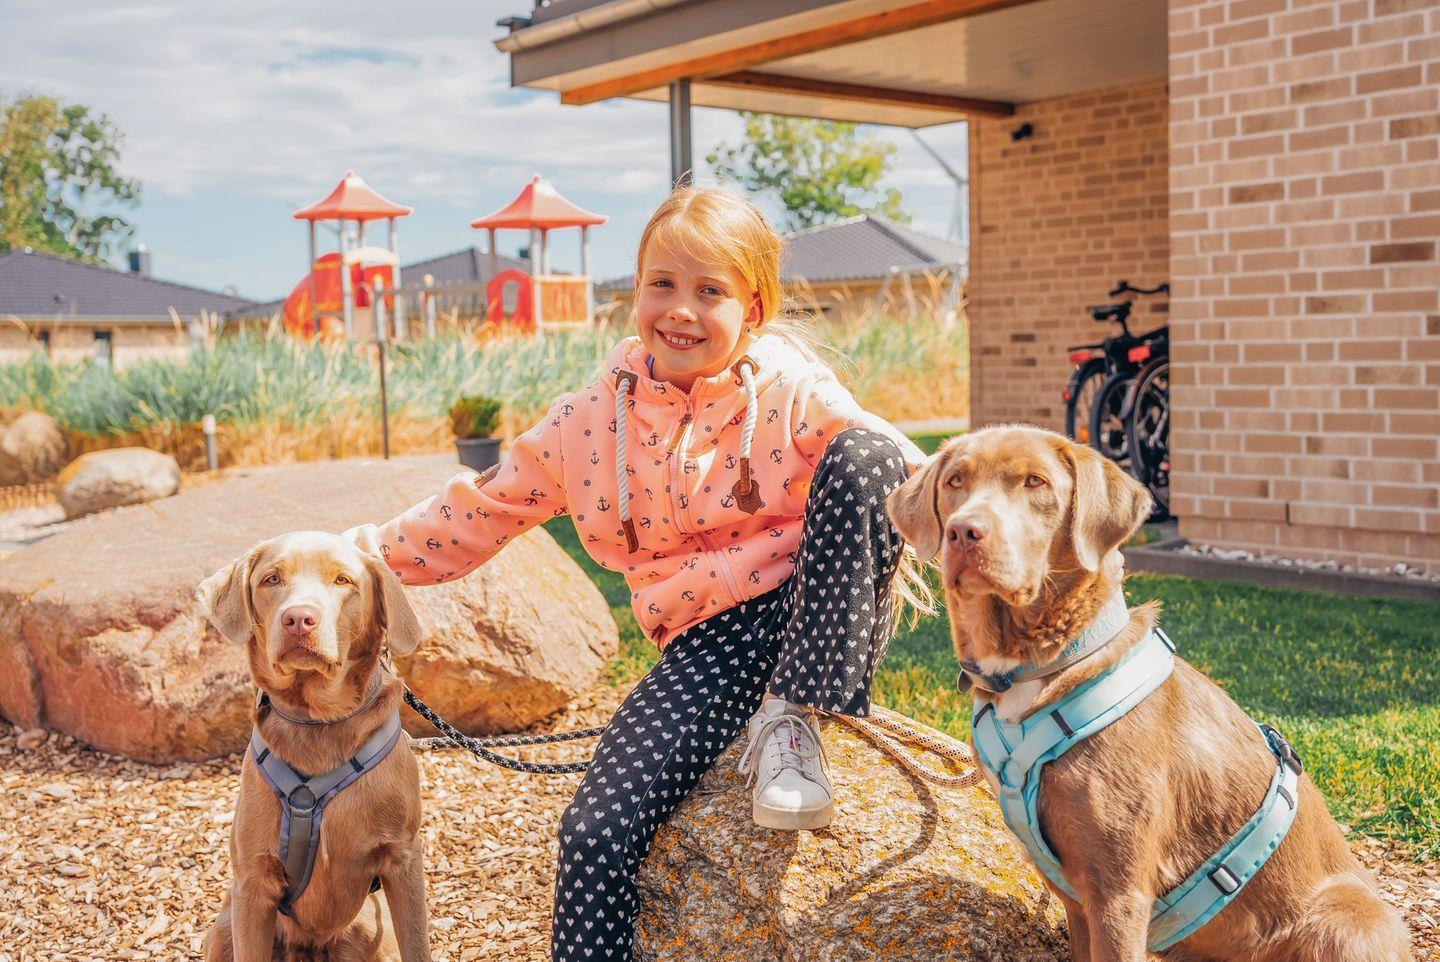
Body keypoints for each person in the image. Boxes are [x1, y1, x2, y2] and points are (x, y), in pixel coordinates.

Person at [348, 185, 933, 961]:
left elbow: (916, 476)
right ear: (636, 291)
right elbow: (479, 509)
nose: (681, 309)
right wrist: (349, 560)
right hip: (708, 642)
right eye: (663, 283)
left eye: (710, 291)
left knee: (868, 456)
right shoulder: (587, 422)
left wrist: (1023, 539)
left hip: (818, 600)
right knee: (593, 831)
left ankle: (793, 715)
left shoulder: (794, 389)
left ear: (754, 309)